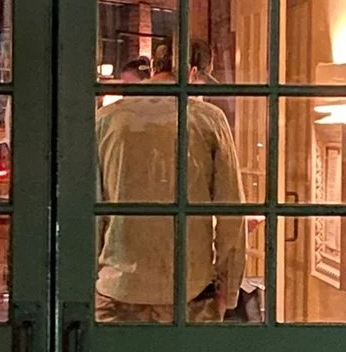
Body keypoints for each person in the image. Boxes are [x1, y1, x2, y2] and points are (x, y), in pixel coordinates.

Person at [94, 55, 247, 322]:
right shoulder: (208, 119)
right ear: (192, 73)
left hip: (117, 289)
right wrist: (227, 290)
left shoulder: (106, 119)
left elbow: (91, 211)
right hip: (189, 290)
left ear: (154, 69)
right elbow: (231, 213)